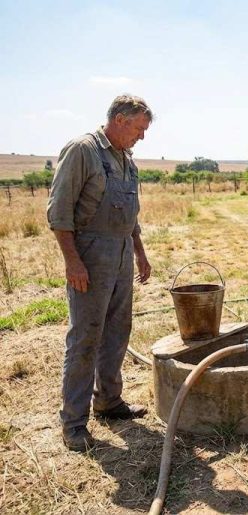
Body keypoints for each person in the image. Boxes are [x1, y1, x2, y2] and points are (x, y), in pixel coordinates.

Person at [47, 94, 153, 452]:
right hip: (90, 254)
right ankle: (74, 424)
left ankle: (109, 401)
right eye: (139, 128)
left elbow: (131, 214)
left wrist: (139, 253)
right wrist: (73, 261)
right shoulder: (83, 151)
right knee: (86, 337)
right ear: (120, 120)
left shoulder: (126, 158)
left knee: (117, 331)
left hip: (122, 251)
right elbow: (59, 212)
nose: (142, 136)